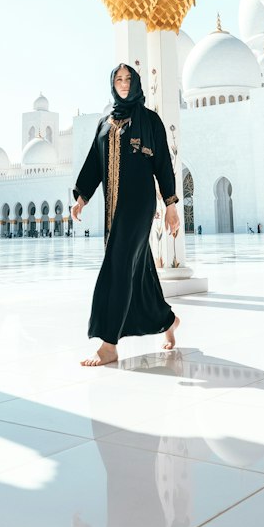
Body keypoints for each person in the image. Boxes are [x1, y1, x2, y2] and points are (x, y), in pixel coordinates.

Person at [72, 63, 181, 367]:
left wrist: (170, 205)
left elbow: (163, 165)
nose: (123, 83)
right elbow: (94, 162)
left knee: (117, 265)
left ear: (136, 83)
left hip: (139, 205)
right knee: (139, 270)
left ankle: (108, 344)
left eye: (127, 79)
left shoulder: (150, 121)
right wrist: (81, 196)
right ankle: (168, 320)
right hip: (113, 208)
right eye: (118, 79)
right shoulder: (106, 123)